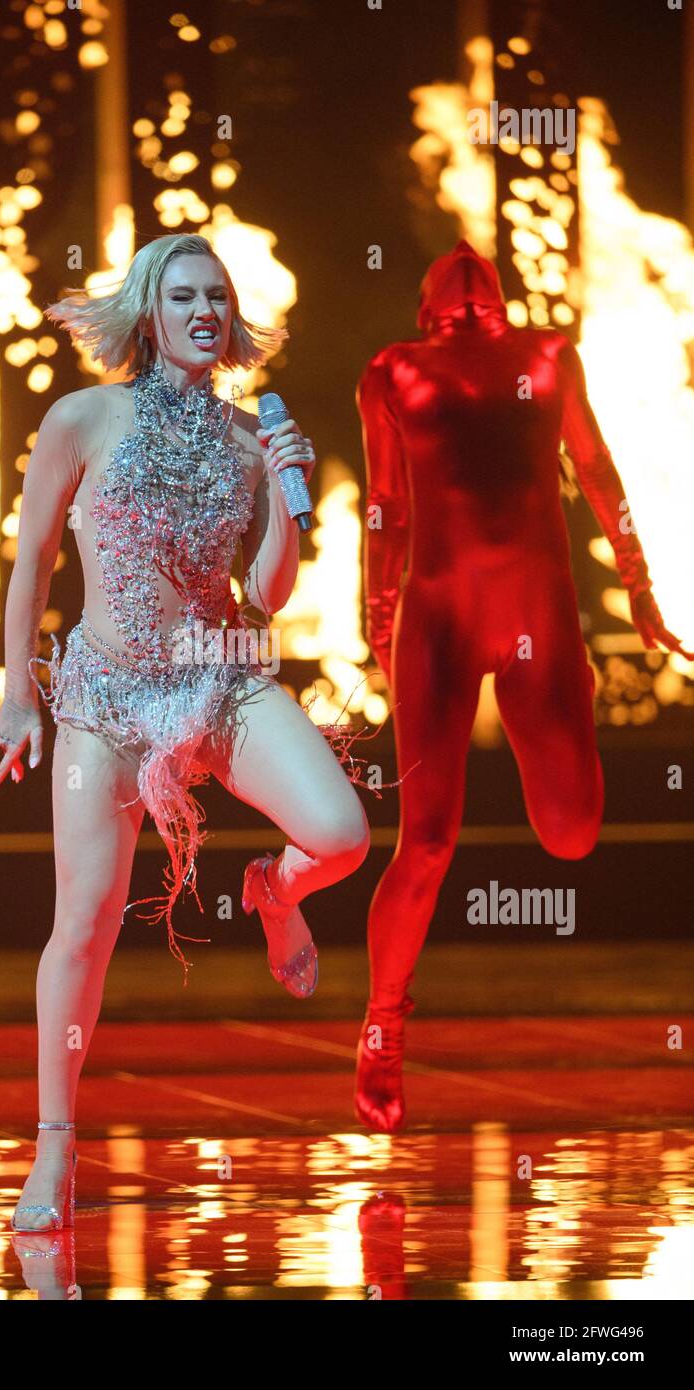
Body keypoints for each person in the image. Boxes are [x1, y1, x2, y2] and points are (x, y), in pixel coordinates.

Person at [0, 232, 371, 1231]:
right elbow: (29, 560)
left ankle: (274, 893)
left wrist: (288, 505)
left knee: (342, 833)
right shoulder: (83, 417)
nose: (205, 311)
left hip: (219, 682)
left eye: (218, 297)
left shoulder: (252, 438)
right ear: (150, 313)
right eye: (185, 295)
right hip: (106, 702)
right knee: (86, 924)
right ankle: (53, 1154)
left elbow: (267, 593)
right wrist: (17, 690)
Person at [355, 239, 691, 1134]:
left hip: (458, 616)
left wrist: (377, 614)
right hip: (469, 615)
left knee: (512, 840)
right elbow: (599, 477)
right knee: (461, 841)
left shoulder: (441, 364)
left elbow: (384, 509)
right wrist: (639, 586)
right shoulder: (456, 364)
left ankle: (383, 1021)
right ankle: (384, 1024)